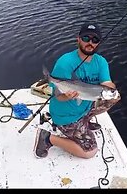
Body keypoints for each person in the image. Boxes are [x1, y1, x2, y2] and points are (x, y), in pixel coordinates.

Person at [34, 23, 121, 159]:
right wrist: (66, 96)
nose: (90, 43)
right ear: (78, 39)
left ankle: (85, 119)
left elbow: (106, 83)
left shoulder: (101, 61)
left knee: (114, 97)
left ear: (98, 43)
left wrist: (112, 90)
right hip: (66, 115)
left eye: (95, 40)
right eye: (86, 38)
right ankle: (47, 138)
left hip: (83, 105)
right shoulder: (65, 62)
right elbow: (57, 97)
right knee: (89, 152)